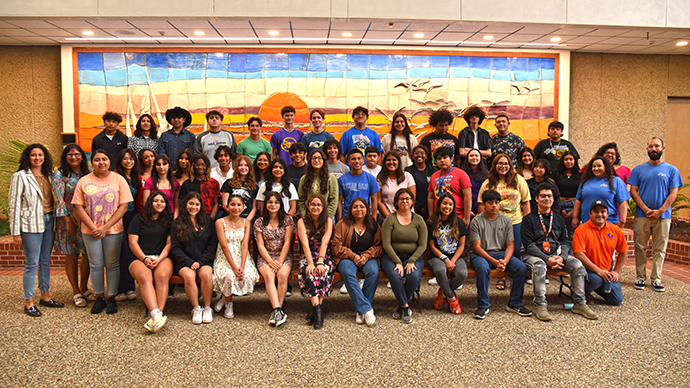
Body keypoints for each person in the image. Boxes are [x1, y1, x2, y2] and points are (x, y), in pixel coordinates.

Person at [521, 184, 597, 321]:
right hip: (534, 255)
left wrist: (561, 257)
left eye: (549, 196)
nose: (546, 199)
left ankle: (579, 303)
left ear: (553, 199)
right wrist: (546, 259)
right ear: (537, 199)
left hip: (556, 254)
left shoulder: (558, 219)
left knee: (577, 265)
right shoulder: (528, 219)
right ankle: (540, 304)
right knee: (539, 266)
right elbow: (529, 245)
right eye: (543, 196)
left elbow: (565, 242)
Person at [73, 149, 133, 315]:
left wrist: (105, 227)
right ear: (92, 162)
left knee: (113, 264)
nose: (101, 163)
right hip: (89, 230)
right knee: (95, 264)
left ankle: (112, 297)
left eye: (104, 159)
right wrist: (94, 228)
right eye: (97, 160)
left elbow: (124, 206)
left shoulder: (118, 180)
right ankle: (99, 297)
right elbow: (78, 206)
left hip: (113, 229)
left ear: (109, 161)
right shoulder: (84, 181)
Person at [9, 144, 63, 317]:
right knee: (32, 263)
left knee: (45, 260)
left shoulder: (49, 175)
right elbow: (14, 204)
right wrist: (15, 232)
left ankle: (45, 296)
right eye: (34, 155)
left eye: (40, 155)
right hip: (30, 224)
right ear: (28, 157)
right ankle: (28, 302)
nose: (37, 158)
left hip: (49, 221)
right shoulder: (20, 176)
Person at [629, 137, 683, 292]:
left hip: (663, 216)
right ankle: (640, 277)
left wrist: (660, 210)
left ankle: (656, 279)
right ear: (647, 149)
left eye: (657, 146)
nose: (654, 149)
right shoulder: (638, 170)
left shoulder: (672, 170)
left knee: (660, 248)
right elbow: (633, 191)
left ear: (662, 149)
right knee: (640, 247)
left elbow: (673, 193)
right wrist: (645, 209)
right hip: (642, 215)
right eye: (651, 146)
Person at [469, 190, 531, 320]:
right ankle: (483, 305)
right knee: (483, 268)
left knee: (521, 267)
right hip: (481, 255)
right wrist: (495, 262)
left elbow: (510, 245)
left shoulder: (506, 220)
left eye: (497, 203)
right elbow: (477, 247)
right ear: (484, 205)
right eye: (490, 203)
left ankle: (515, 303)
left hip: (500, 254)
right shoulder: (476, 221)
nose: (494, 206)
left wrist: (505, 261)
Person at [52, 144, 93, 307]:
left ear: (82, 156)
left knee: (87, 255)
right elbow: (58, 199)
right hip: (67, 221)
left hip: (86, 219)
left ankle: (84, 287)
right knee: (72, 254)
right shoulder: (59, 174)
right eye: (69, 154)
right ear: (65, 157)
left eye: (77, 154)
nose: (73, 157)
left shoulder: (87, 173)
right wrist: (67, 220)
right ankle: (75, 290)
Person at [332, 197, 383, 327]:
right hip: (347, 257)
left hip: (367, 257)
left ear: (367, 209)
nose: (359, 209)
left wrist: (366, 255)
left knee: (373, 272)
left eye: (362, 206)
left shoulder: (373, 225)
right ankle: (366, 309)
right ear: (350, 209)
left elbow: (379, 246)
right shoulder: (342, 224)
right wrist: (352, 255)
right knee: (348, 273)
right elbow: (336, 246)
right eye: (355, 207)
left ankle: (361, 310)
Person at [128, 191, 173, 332]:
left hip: (162, 257)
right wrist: (145, 258)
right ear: (150, 203)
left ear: (166, 204)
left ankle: (157, 315)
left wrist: (159, 259)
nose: (159, 204)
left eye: (162, 201)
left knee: (162, 276)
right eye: (156, 201)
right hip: (140, 257)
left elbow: (169, 244)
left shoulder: (169, 220)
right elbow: (132, 243)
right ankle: (156, 314)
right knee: (144, 277)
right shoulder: (138, 219)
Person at [381, 188, 427, 323]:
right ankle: (405, 307)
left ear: (412, 201)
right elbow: (386, 244)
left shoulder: (418, 220)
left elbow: (423, 245)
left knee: (413, 275)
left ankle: (401, 305)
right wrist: (398, 262)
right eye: (401, 199)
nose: (404, 201)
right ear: (396, 202)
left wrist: (412, 260)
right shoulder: (390, 219)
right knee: (396, 275)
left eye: (407, 198)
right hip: (391, 257)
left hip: (413, 257)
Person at [171, 192, 217, 324]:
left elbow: (212, 245)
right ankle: (196, 308)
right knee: (189, 276)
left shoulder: (208, 222)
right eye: (191, 203)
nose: (193, 207)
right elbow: (175, 248)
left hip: (204, 260)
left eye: (197, 204)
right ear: (185, 204)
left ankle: (207, 307)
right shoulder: (177, 223)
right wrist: (190, 262)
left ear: (201, 206)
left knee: (207, 275)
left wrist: (201, 262)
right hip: (184, 261)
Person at [572, 201, 628, 306]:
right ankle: (580, 290)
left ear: (607, 214)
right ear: (590, 214)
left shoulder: (615, 230)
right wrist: (598, 271)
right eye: (596, 211)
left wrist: (616, 271)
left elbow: (623, 251)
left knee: (617, 300)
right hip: (587, 270)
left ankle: (598, 286)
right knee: (596, 280)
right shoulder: (581, 230)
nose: (599, 214)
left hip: (607, 271)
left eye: (603, 211)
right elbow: (579, 253)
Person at [213, 195, 259, 319]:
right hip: (225, 256)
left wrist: (242, 266)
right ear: (227, 206)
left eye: (239, 205)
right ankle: (228, 303)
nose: (236, 207)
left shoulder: (246, 222)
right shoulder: (220, 222)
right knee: (229, 275)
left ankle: (224, 298)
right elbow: (223, 246)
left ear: (243, 207)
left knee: (247, 275)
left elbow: (245, 245)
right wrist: (234, 267)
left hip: (242, 256)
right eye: (232, 204)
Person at [254, 191, 295, 327]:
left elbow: (288, 242)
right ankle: (277, 310)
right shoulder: (259, 222)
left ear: (280, 204)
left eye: (276, 202)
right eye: (270, 202)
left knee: (283, 275)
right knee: (269, 275)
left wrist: (279, 261)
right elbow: (260, 244)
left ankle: (278, 309)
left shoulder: (288, 219)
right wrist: (271, 262)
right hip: (266, 257)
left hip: (283, 256)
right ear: (265, 204)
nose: (273, 205)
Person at [297, 194, 335, 329]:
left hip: (324, 254)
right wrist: (311, 263)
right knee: (309, 270)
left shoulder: (328, 221)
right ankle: (318, 311)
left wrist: (320, 261)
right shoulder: (301, 221)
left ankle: (315, 311)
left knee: (323, 269)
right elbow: (305, 244)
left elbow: (325, 242)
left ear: (323, 207)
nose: (315, 207)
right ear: (308, 206)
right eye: (313, 204)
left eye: (319, 205)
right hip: (307, 254)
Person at [428, 193, 469, 315]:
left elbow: (461, 245)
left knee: (462, 274)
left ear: (454, 207)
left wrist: (453, 260)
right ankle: (452, 298)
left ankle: (443, 293)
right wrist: (446, 260)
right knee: (440, 271)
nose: (447, 206)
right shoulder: (431, 222)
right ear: (439, 205)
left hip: (455, 256)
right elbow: (432, 246)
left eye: (450, 204)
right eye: (444, 203)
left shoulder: (459, 222)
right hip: (437, 256)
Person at [114, 149, 142, 302]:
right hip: (118, 217)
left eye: (131, 159)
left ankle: (130, 287)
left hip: (133, 217)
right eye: (125, 159)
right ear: (120, 160)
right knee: (119, 252)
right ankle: (119, 288)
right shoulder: (115, 176)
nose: (128, 161)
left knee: (130, 251)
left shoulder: (136, 178)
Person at [572, 156, 629, 230]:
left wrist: (623, 221)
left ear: (606, 167)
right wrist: (575, 217)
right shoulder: (585, 182)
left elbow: (623, 202)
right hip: (587, 223)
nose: (596, 168)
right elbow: (578, 200)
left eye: (599, 166)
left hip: (609, 223)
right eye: (594, 166)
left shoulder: (615, 181)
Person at [427, 147, 472, 226]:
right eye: (439, 158)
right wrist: (431, 217)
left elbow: (468, 196)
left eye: (445, 157)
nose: (442, 160)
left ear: (451, 159)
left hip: (457, 217)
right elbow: (430, 198)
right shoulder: (434, 176)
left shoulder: (461, 174)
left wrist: (467, 218)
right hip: (438, 218)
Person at [338, 149, 380, 219]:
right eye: (353, 159)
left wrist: (374, 219)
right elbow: (339, 201)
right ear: (348, 162)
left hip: (365, 217)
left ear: (363, 160)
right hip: (347, 217)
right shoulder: (342, 179)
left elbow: (374, 200)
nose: (357, 161)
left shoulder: (371, 178)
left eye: (359, 158)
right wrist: (339, 219)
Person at [297, 149, 338, 219]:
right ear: (310, 161)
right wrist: (304, 215)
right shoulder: (304, 179)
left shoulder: (331, 178)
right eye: (314, 158)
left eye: (319, 158)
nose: (316, 160)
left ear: (324, 161)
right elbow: (300, 200)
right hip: (308, 217)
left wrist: (326, 216)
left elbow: (334, 201)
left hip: (326, 217)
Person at [176, 154, 220, 219]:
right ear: (193, 166)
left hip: (209, 218)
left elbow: (216, 203)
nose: (200, 167)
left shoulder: (213, 183)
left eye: (203, 165)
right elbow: (183, 204)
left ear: (207, 166)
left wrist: (210, 219)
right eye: (197, 165)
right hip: (190, 219)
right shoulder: (187, 184)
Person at [377, 150, 416, 220]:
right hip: (387, 218)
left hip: (406, 218)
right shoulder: (380, 178)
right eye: (388, 160)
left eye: (394, 160)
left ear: (398, 162)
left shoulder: (407, 176)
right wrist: (390, 218)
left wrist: (401, 217)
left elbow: (412, 199)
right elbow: (379, 201)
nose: (391, 162)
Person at [221, 155, 259, 221]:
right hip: (230, 218)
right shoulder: (229, 183)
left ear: (250, 168)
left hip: (247, 219)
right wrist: (235, 218)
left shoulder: (254, 186)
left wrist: (246, 221)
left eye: (246, 165)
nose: (243, 167)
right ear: (236, 167)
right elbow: (225, 205)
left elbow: (254, 208)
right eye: (240, 165)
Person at [405, 144, 437, 221]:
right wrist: (417, 207)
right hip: (414, 208)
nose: (419, 155)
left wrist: (427, 208)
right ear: (412, 156)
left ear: (426, 156)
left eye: (422, 153)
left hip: (431, 208)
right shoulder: (408, 171)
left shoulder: (433, 171)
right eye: (416, 153)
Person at [551, 151, 581, 231]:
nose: (569, 162)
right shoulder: (555, 174)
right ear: (562, 161)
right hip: (558, 204)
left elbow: (582, 194)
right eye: (566, 159)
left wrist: (574, 212)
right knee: (559, 231)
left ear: (575, 161)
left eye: (571, 159)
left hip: (574, 205)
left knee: (573, 231)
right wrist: (560, 209)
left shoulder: (580, 175)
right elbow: (552, 192)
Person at [460, 148, 489, 217]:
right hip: (466, 209)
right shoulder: (461, 174)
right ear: (467, 158)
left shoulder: (487, 174)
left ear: (480, 158)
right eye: (471, 156)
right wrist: (467, 211)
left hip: (483, 208)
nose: (474, 158)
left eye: (476, 156)